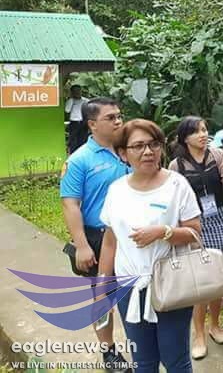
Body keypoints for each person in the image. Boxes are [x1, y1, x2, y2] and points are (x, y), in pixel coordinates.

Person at [97, 119, 201, 373]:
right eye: (138, 146)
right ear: (123, 153)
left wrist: (163, 232)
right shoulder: (116, 190)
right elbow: (110, 241)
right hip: (128, 286)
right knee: (142, 360)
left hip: (170, 283)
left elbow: (194, 232)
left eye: (154, 144)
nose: (148, 152)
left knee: (175, 359)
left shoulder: (177, 185)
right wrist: (102, 285)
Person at [60, 97, 130, 370]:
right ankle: (108, 351)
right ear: (92, 124)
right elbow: (70, 204)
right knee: (103, 298)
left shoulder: (130, 150)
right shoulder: (79, 160)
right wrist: (81, 245)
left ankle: (144, 343)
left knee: (137, 292)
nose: (118, 121)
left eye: (119, 116)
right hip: (100, 238)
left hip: (135, 236)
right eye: (110, 118)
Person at [168, 117, 223, 360]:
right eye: (196, 131)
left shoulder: (217, 155)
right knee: (200, 279)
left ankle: (215, 325)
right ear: (184, 137)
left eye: (204, 130)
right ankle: (198, 334)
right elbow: (174, 199)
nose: (202, 134)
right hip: (193, 224)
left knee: (218, 274)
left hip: (218, 219)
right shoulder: (176, 165)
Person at [65, 84, 88, 154]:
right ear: (72, 92)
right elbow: (67, 110)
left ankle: (83, 154)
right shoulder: (70, 101)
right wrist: (72, 101)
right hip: (74, 123)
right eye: (75, 91)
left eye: (79, 91)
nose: (77, 93)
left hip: (83, 122)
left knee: (83, 140)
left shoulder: (85, 100)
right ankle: (73, 154)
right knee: (73, 141)